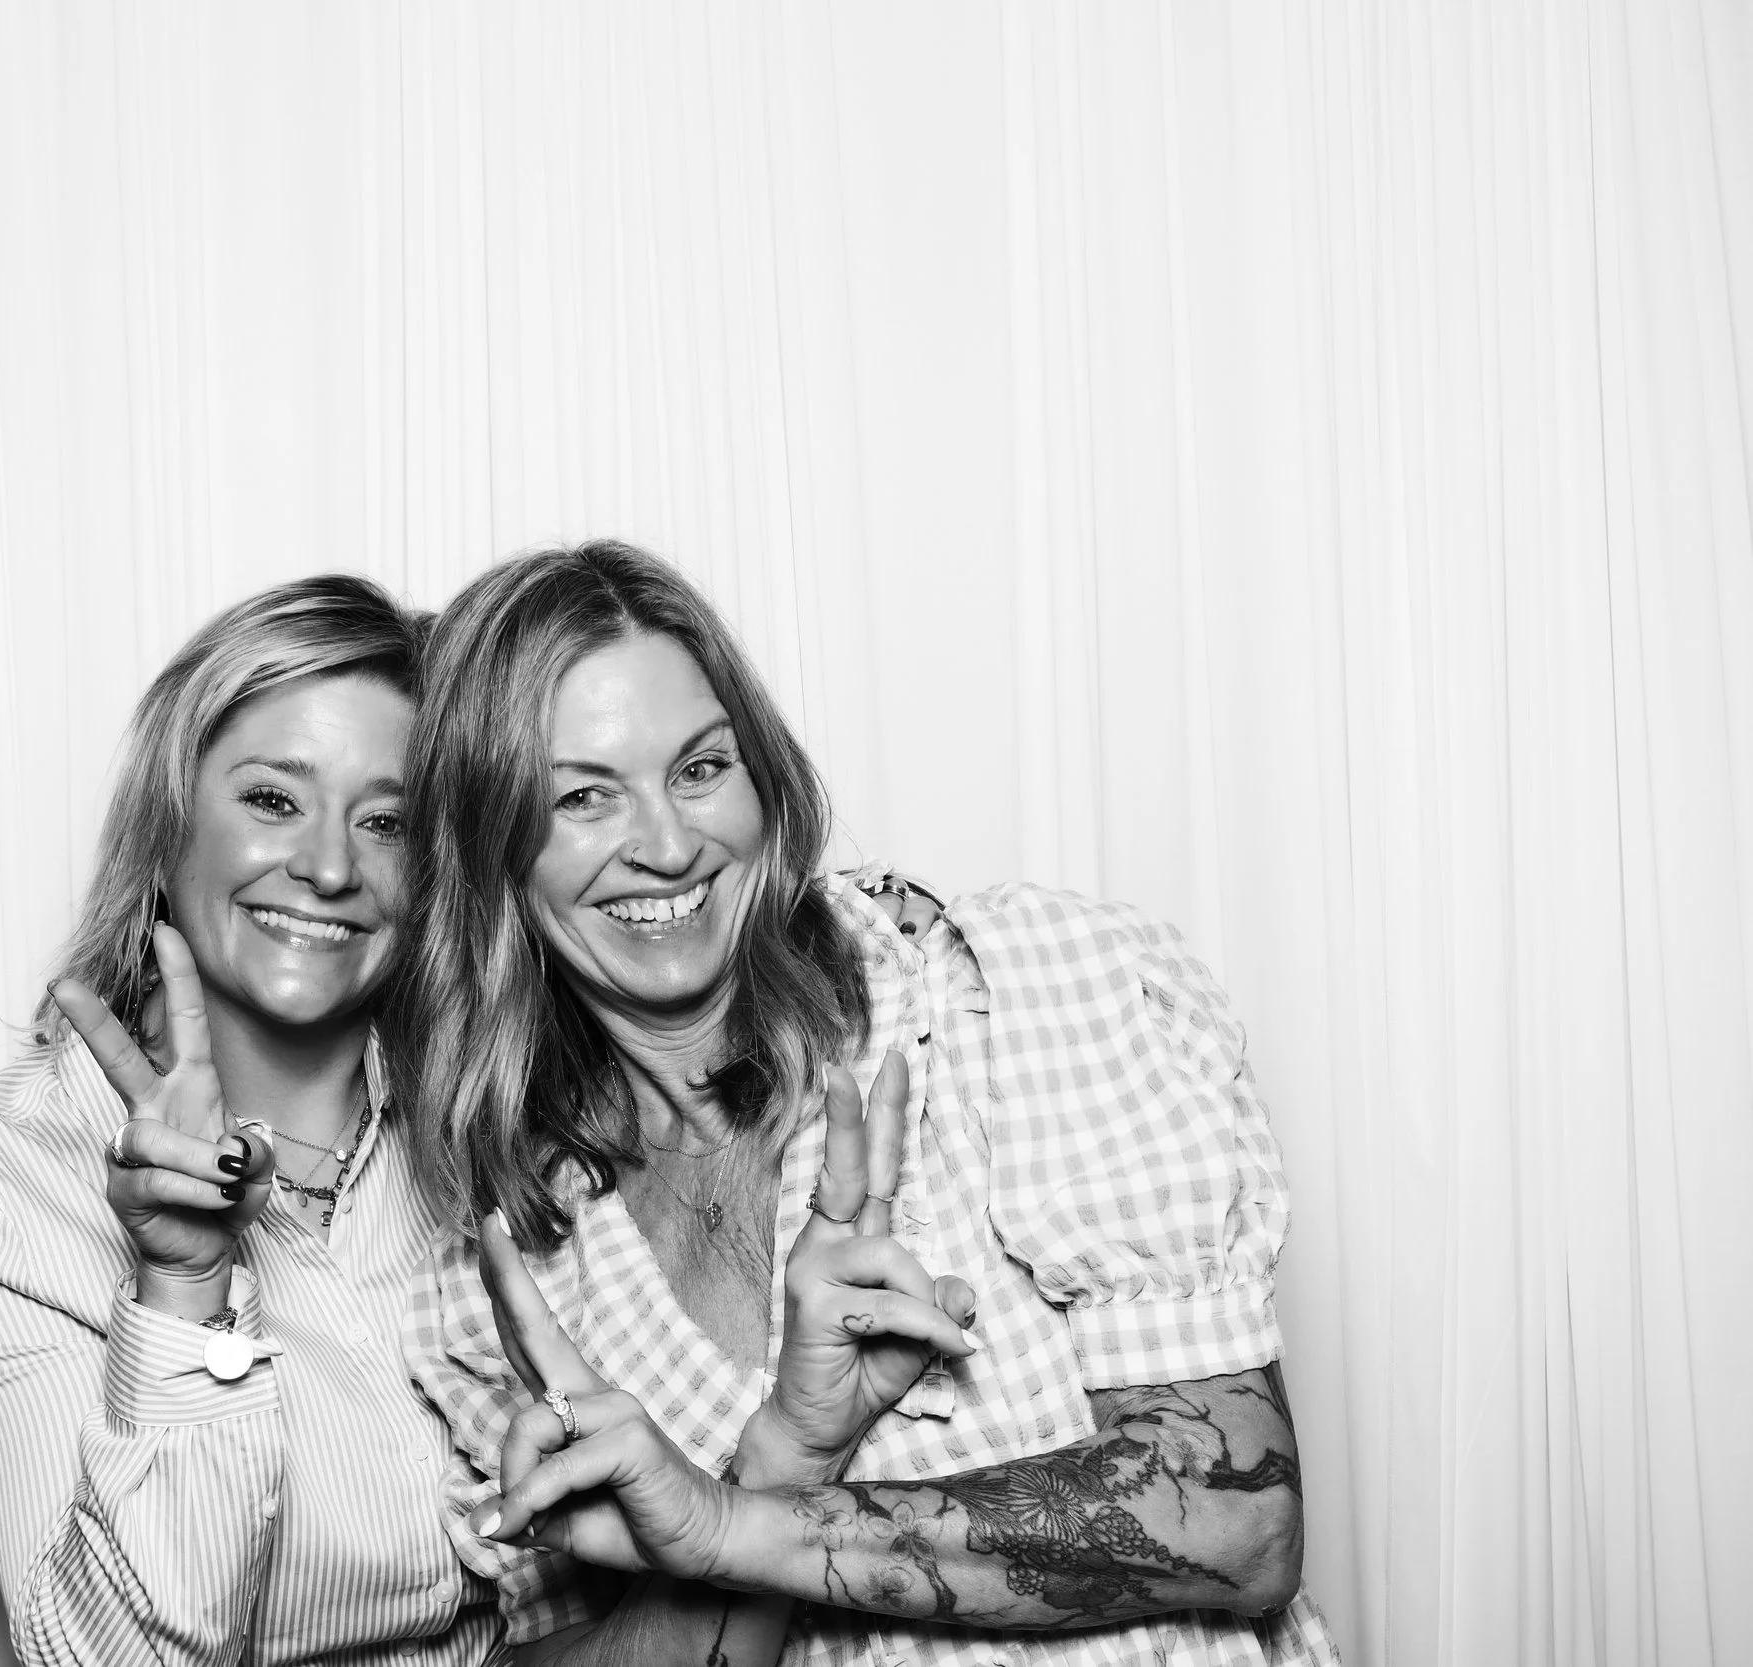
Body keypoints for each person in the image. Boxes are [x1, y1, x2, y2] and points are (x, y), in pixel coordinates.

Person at [394, 541, 1342, 1665]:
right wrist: (787, 1447)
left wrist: (724, 1523)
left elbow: (1237, 1520)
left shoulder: (1013, 992)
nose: (666, 843)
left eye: (701, 768)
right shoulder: (496, 1266)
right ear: (488, 849)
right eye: (583, 796)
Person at [0, 576, 504, 1666]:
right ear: (166, 825)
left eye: (387, 820)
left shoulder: (487, 1105)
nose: (327, 865)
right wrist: (182, 1291)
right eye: (273, 799)